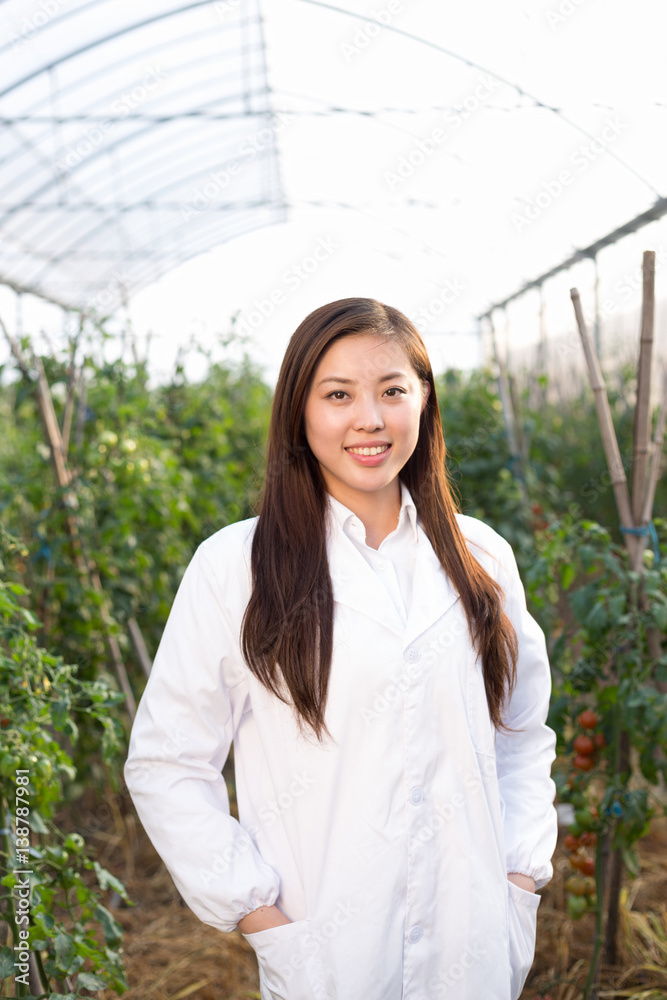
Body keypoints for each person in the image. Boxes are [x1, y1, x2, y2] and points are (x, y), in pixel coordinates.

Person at [124, 297, 557, 1000]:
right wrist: (256, 910)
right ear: (300, 411)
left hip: (471, 944)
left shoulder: (479, 555)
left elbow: (520, 734)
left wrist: (515, 877)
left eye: (392, 390)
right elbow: (168, 762)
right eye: (337, 395)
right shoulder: (236, 566)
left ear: (424, 401)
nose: (370, 419)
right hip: (327, 956)